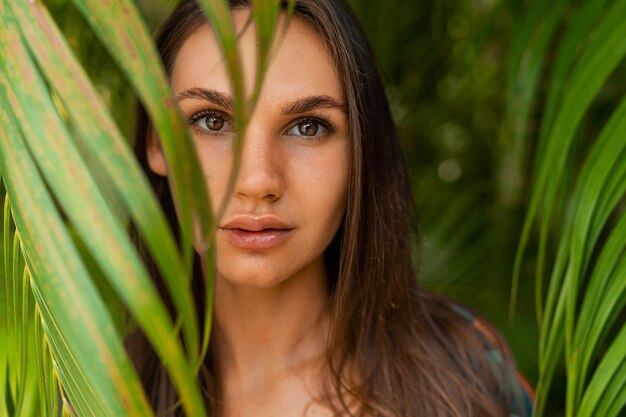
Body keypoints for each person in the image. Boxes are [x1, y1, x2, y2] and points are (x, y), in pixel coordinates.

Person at [127, 0, 534, 416]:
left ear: (361, 150)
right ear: (157, 142)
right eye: (212, 121)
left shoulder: (468, 372)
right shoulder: (93, 391)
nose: (257, 181)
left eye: (308, 127)